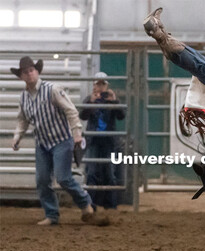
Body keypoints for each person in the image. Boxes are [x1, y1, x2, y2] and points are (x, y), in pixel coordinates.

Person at [11, 56, 107, 226]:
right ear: (21, 76)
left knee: (63, 178)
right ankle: (52, 215)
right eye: (25, 72)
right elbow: (23, 120)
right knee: (42, 180)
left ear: (37, 71)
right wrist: (17, 136)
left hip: (62, 140)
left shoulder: (53, 89)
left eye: (31, 70)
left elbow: (70, 111)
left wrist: (77, 132)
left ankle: (85, 203)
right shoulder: (24, 98)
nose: (29, 74)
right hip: (42, 143)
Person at [80, 72, 125, 210]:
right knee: (92, 172)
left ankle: (111, 206)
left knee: (110, 173)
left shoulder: (111, 100)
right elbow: (83, 116)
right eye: (97, 84)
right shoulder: (89, 99)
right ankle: (91, 205)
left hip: (108, 141)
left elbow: (121, 116)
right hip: (93, 140)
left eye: (102, 84)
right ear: (94, 85)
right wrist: (91, 103)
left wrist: (114, 101)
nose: (100, 87)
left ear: (106, 86)